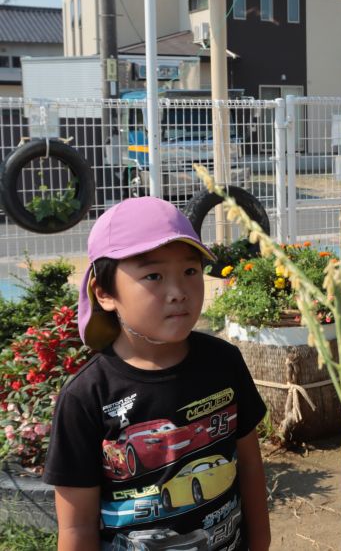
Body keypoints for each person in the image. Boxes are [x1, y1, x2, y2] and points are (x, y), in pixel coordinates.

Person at [43, 197, 270, 551]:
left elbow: (250, 466)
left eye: (190, 271)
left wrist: (260, 542)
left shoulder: (224, 362)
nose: (178, 292)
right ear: (104, 293)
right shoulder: (86, 398)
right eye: (153, 276)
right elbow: (77, 528)